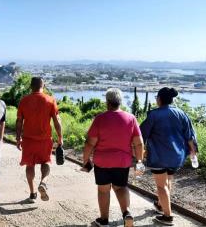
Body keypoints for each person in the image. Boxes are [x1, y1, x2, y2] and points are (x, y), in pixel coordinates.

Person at [83, 88, 144, 227]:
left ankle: (104, 220)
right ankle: (126, 213)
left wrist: (86, 159)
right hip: (122, 162)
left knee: (103, 190)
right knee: (121, 187)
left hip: (102, 162)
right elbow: (139, 143)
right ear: (120, 102)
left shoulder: (100, 119)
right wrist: (139, 161)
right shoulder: (131, 118)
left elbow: (89, 143)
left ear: (107, 102)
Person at [140, 87, 197, 226]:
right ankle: (160, 204)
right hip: (177, 156)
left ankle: (168, 216)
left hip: (159, 156)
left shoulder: (153, 115)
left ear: (159, 99)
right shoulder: (181, 113)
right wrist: (193, 153)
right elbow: (190, 136)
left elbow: (141, 135)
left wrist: (139, 153)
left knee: (161, 185)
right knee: (168, 180)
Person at [16, 77, 63, 203]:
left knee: (29, 166)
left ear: (31, 86)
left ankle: (32, 193)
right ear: (44, 86)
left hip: (28, 140)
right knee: (46, 162)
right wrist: (60, 137)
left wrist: (17, 138)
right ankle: (43, 182)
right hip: (45, 140)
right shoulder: (50, 100)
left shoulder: (23, 101)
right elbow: (57, 121)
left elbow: (19, 121)